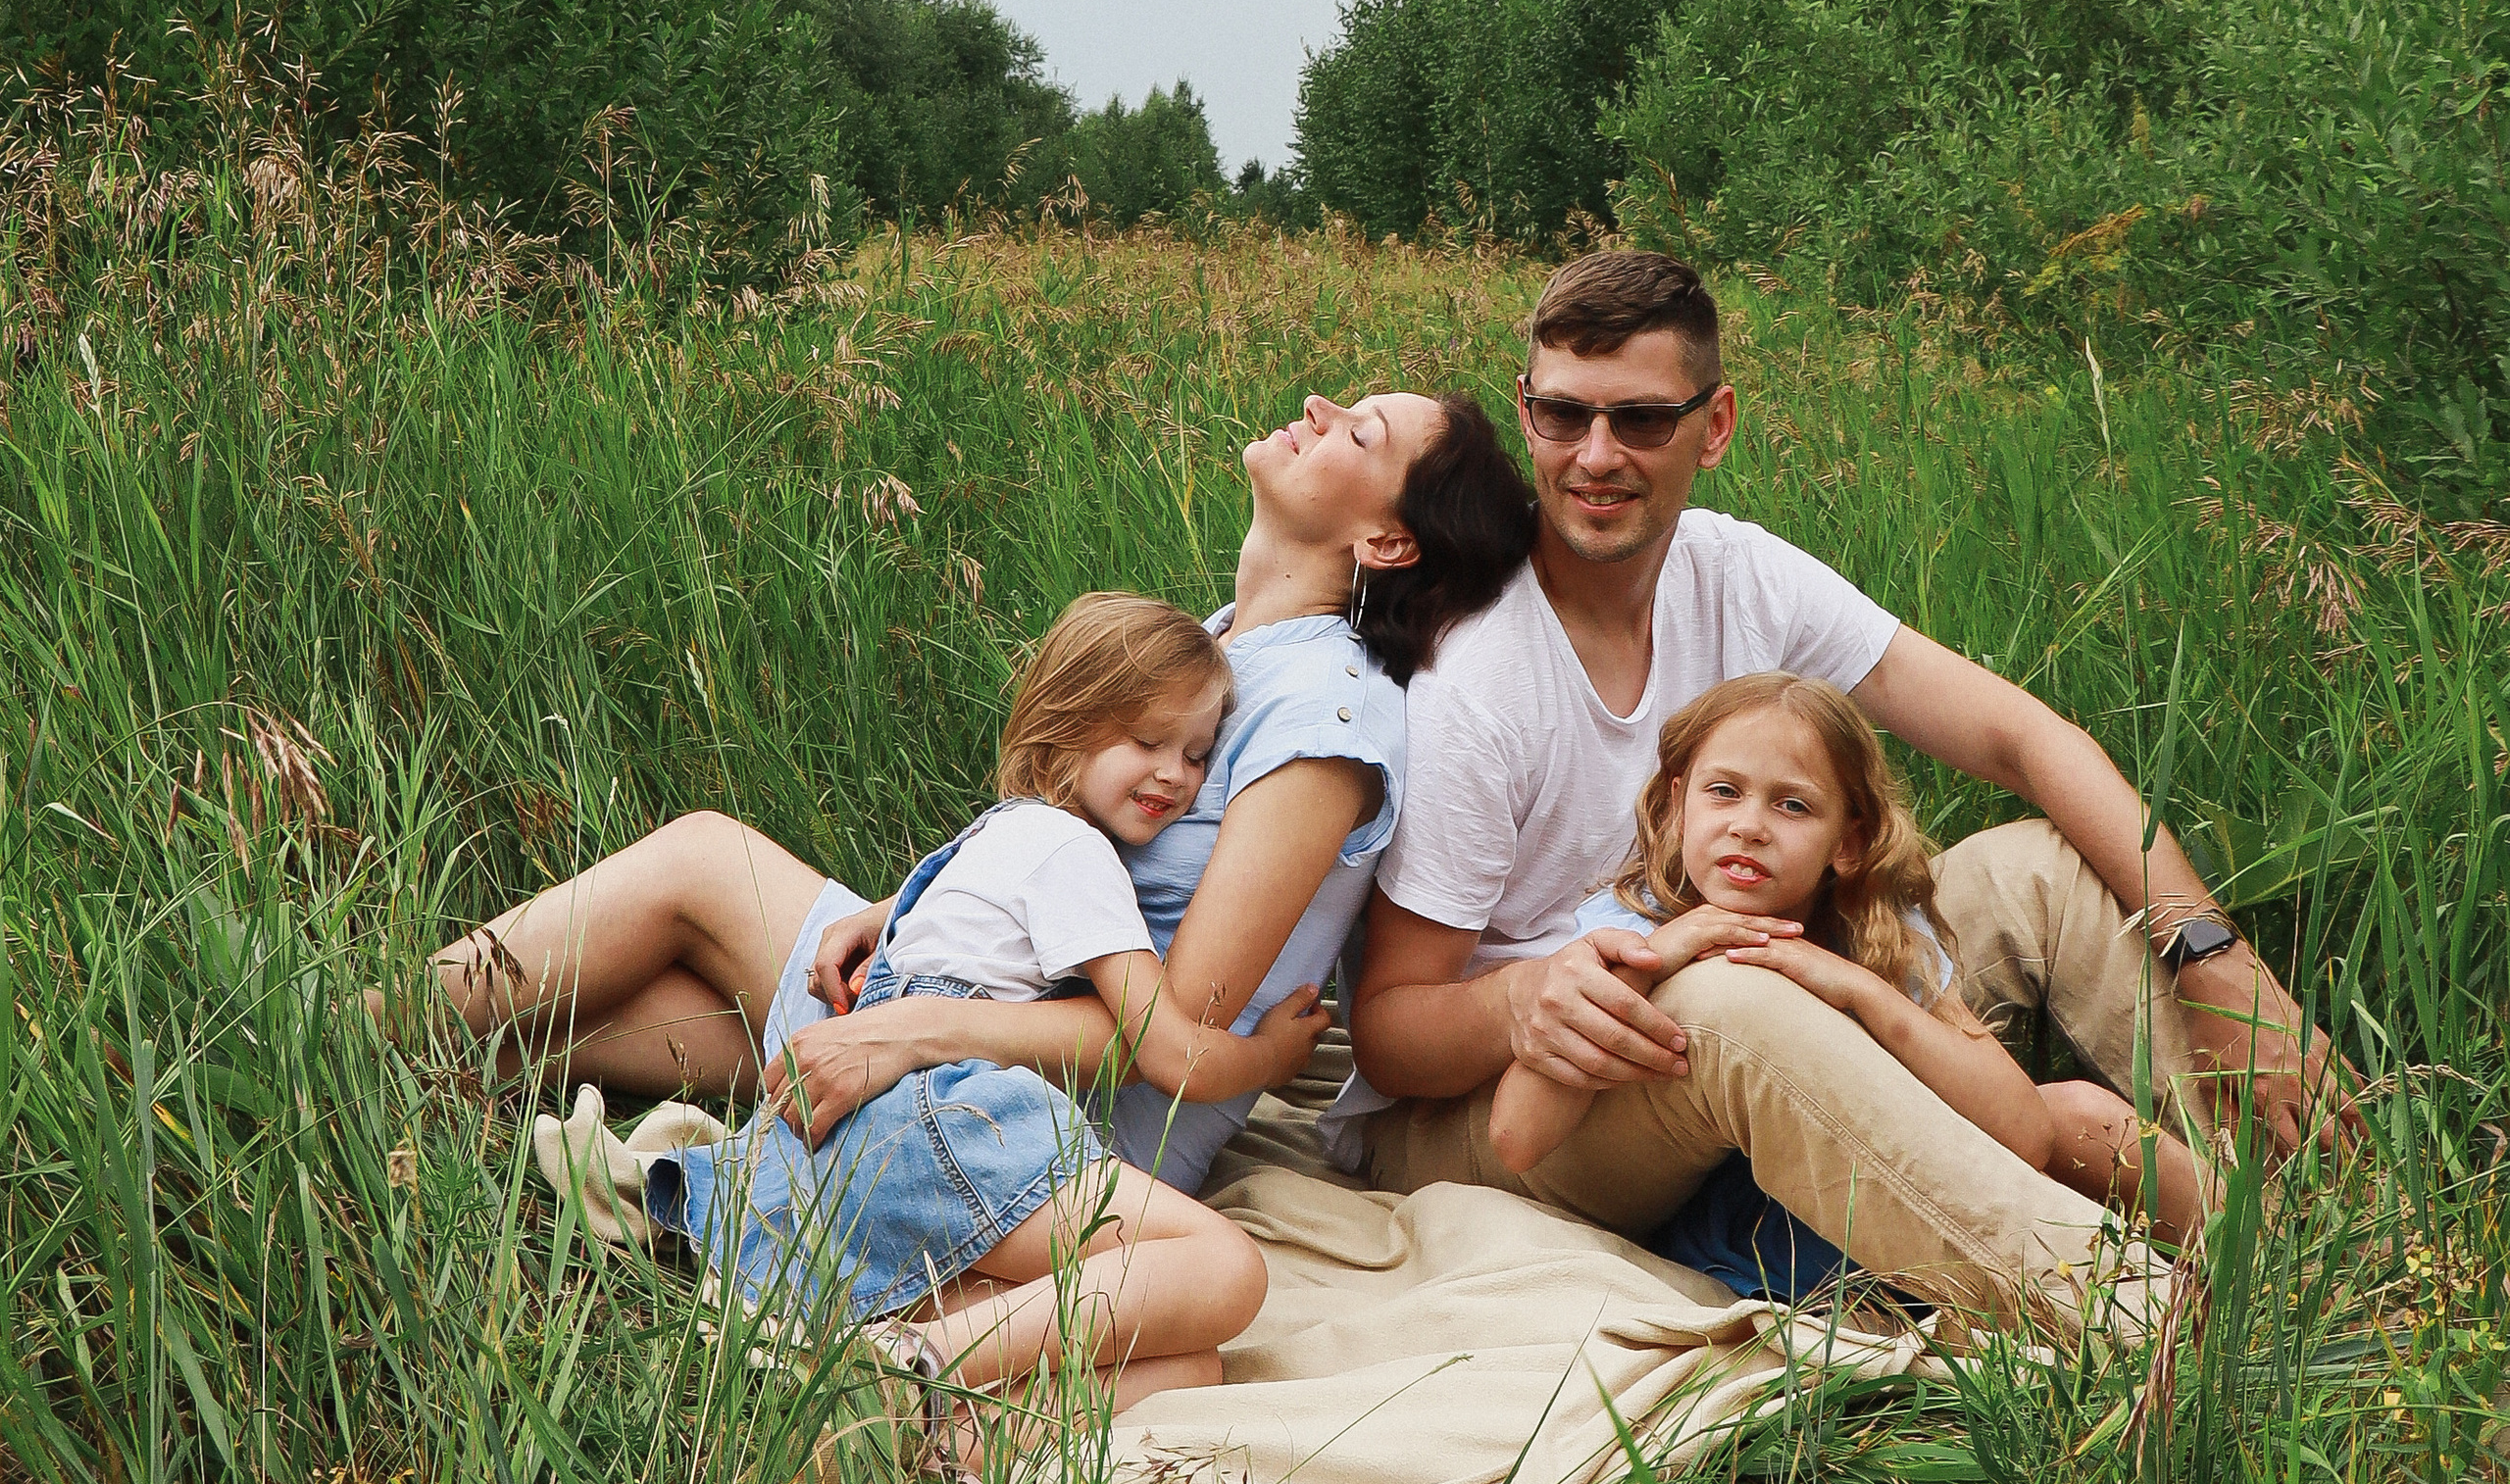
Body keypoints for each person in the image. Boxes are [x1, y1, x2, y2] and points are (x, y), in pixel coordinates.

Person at [1348, 251, 2351, 1327]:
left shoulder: (1735, 572)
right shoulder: (1480, 678)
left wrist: (2213, 957)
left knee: (2034, 868)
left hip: (1744, 977)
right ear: (1528, 412)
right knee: (1729, 996)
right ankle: (2154, 1324)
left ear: (1713, 423)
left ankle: (2342, 1217)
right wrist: (1531, 999)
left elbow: (2018, 735)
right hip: (1514, 1105)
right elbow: (1389, 1033)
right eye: (1562, 416)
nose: (1595, 456)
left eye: (1640, 420)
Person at [418, 385, 1533, 1222]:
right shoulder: (1236, 646)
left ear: (1386, 541)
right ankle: (450, 1072)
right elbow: (1067, 848)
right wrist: (915, 896)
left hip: (1061, 1121)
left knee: (704, 862)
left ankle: (372, 1032)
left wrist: (912, 1026)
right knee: (662, 994)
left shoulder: (1325, 718)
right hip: (991, 1009)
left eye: (1360, 432)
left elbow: (1171, 1032)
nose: (1319, 406)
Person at [578, 595, 1324, 1417]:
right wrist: (1269, 1058)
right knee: (1224, 1267)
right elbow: (1167, 1052)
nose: (1173, 774)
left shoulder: (999, 833)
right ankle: (916, 1364)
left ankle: (920, 1437)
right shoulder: (1078, 856)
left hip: (857, 1133)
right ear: (1060, 728)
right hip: (944, 1120)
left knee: (1186, 1367)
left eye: (1196, 753)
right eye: (1145, 741)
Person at [1490, 671, 2203, 1304]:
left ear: (1849, 842)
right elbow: (1517, 1137)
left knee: (2084, 1116)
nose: (1749, 826)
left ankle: (2257, 1255)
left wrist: (1864, 992)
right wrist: (1651, 961)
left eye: (1793, 806)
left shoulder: (1878, 931)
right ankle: (2134, 1313)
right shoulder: (1630, 922)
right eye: (1724, 792)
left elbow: (2024, 1130)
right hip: (1756, 1248)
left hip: (1902, 1195)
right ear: (1678, 806)